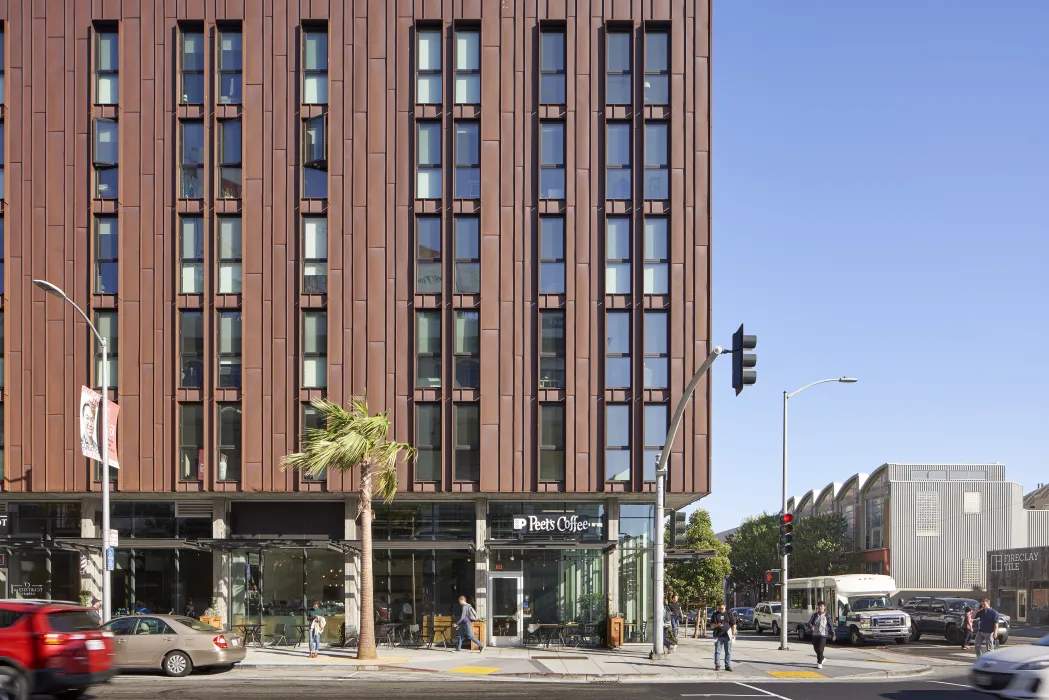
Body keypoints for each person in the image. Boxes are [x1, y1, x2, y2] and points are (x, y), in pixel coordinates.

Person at [807, 600, 837, 669]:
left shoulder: (827, 616)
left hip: (823, 635)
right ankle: (822, 658)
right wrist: (811, 626)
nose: (820, 608)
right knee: (816, 648)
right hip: (815, 634)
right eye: (819, 606)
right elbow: (809, 623)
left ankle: (819, 662)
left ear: (824, 607)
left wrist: (833, 634)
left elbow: (830, 625)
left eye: (822, 606)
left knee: (820, 649)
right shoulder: (814, 615)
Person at [710, 602, 736, 672]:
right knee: (717, 651)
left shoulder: (729, 614)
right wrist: (716, 625)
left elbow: (733, 624)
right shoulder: (715, 614)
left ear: (725, 606)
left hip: (728, 635)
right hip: (718, 635)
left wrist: (733, 634)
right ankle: (717, 665)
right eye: (719, 608)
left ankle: (727, 666)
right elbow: (712, 625)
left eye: (722, 608)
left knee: (728, 651)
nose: (720, 610)